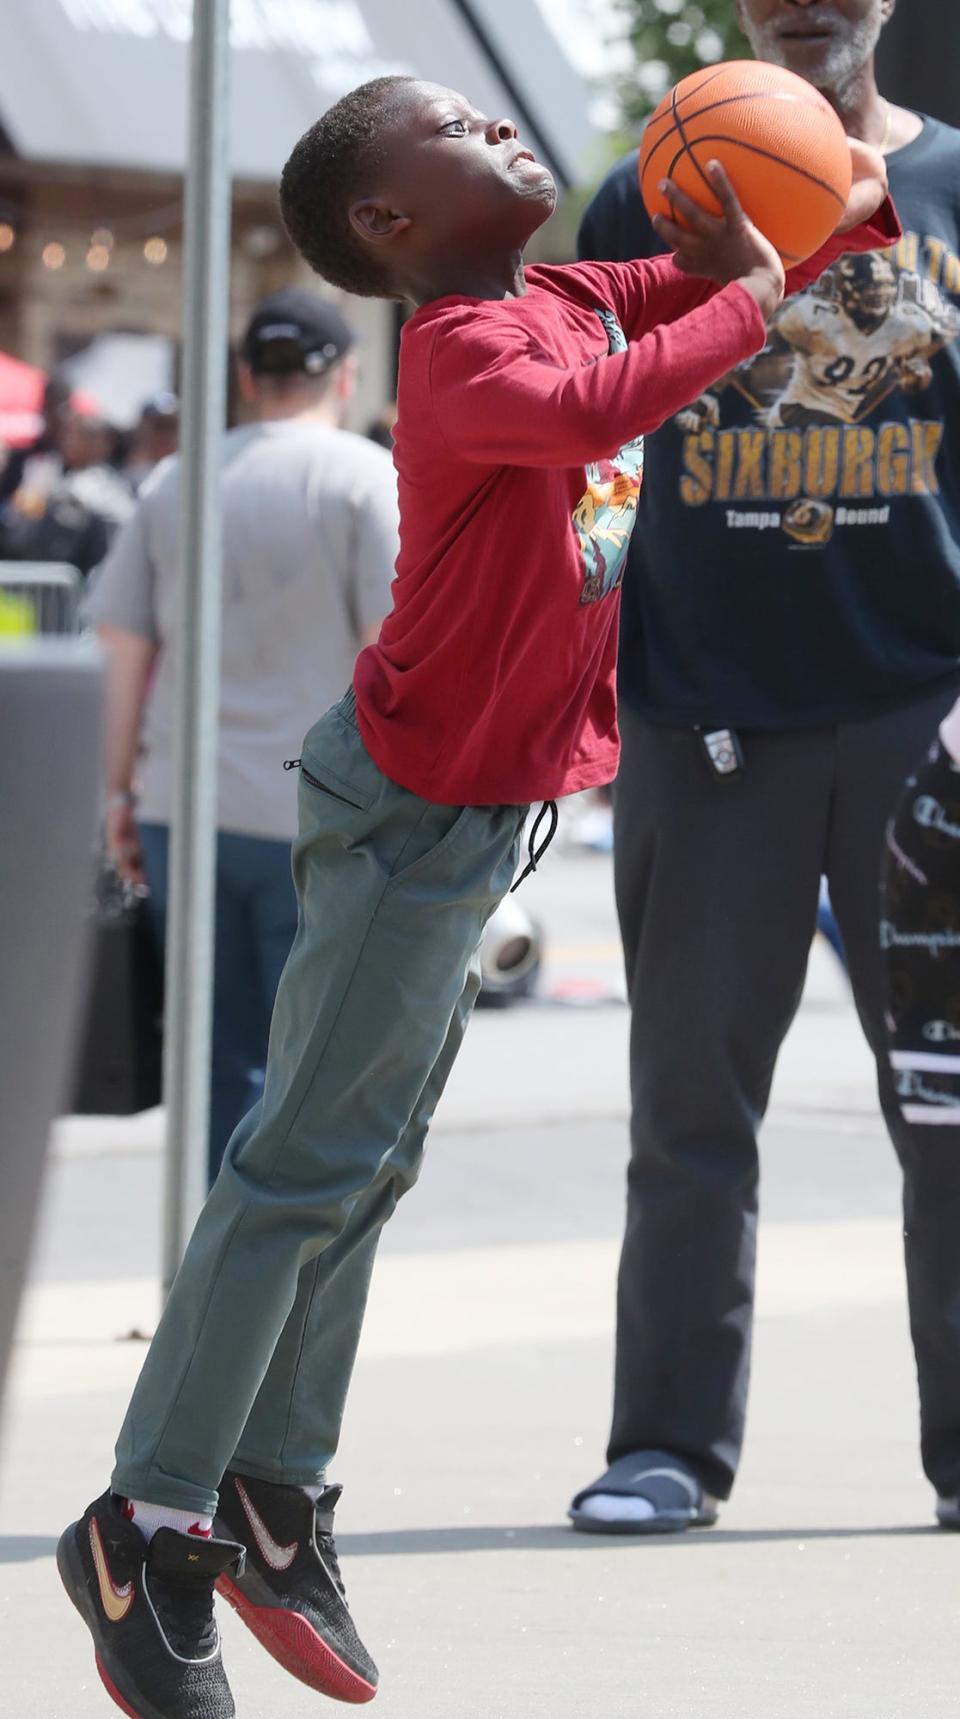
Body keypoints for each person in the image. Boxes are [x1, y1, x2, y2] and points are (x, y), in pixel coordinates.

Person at [57, 73, 889, 1719]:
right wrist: (748, 286)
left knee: (364, 1167)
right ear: (388, 223)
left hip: (476, 812)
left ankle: (272, 1491)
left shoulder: (561, 289)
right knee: (298, 1165)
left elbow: (765, 242)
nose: (511, 140)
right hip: (409, 810)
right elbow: (616, 404)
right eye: (465, 134)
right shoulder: (462, 352)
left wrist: (826, 180)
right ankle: (144, 1519)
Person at [568, 0, 960, 1537]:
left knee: (949, 1104)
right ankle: (665, 1444)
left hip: (923, 713)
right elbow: (587, 449)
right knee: (686, 1113)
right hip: (705, 720)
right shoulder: (647, 185)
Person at [85, 290, 398, 1181]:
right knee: (312, 1069)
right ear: (346, 372)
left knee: (212, 1061)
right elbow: (391, 650)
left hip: (182, 802)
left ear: (244, 378)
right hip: (317, 808)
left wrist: (117, 794)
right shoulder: (362, 476)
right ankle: (274, 1293)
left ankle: (204, 1270)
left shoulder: (174, 479)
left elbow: (123, 652)